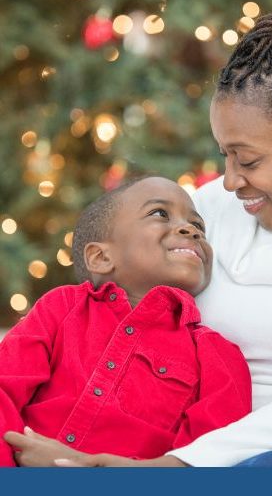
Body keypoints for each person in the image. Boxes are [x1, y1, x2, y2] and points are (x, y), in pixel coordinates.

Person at [5, 1, 272, 468]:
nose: (229, 181)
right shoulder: (212, 208)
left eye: (247, 160)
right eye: (224, 157)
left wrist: (164, 471)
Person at [0, 176, 252, 466]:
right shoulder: (62, 308)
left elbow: (206, 458)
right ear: (101, 257)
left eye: (199, 226)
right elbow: (4, 390)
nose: (191, 230)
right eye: (160, 214)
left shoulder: (217, 356)